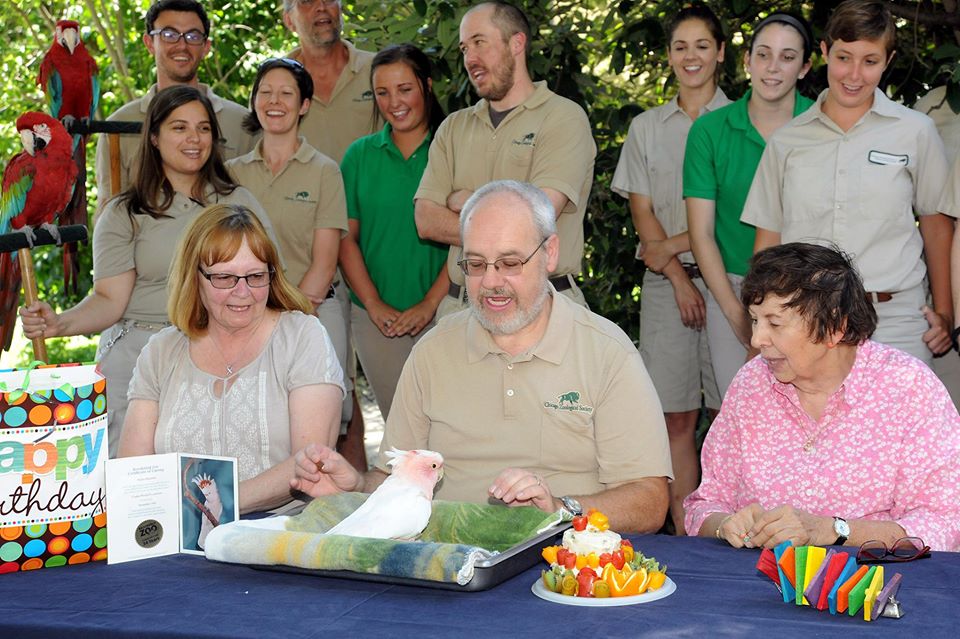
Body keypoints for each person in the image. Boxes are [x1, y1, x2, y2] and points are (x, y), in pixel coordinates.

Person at [291, 180, 673, 533]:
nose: (491, 282)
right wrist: (354, 487)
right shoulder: (433, 352)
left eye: (510, 263)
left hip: (561, 564)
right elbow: (395, 486)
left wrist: (560, 510)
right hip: (445, 563)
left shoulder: (607, 352)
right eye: (475, 265)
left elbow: (650, 501)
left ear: (550, 253)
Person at [20, 86, 273, 457]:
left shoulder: (239, 203)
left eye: (204, 128)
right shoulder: (125, 212)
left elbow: (266, 284)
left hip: (225, 351)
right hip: (139, 351)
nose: (194, 138)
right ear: (153, 137)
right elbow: (110, 299)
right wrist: (59, 324)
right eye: (179, 127)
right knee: (131, 481)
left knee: (212, 477)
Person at [684, 243, 960, 552]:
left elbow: (944, 524)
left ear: (834, 327)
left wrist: (835, 530)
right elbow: (704, 505)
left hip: (874, 585)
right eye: (755, 320)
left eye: (775, 323)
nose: (757, 339)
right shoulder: (751, 385)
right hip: (755, 582)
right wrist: (724, 524)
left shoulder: (908, 388)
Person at [742, 0, 953, 365]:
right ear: (824, 52)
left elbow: (936, 226)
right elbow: (769, 242)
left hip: (895, 320)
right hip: (803, 320)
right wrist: (762, 327)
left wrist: (947, 313)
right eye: (844, 57)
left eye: (870, 61)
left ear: (888, 61)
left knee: (895, 424)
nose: (854, 75)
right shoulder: (786, 141)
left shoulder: (916, 131)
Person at [119, 204, 344, 514]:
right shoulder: (161, 352)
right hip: (176, 535)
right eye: (224, 277)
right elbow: (134, 469)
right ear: (193, 277)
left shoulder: (302, 337)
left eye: (255, 276)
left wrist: (211, 507)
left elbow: (311, 460)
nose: (243, 292)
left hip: (280, 536)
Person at [610, 3, 728, 535]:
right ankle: (686, 538)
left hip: (733, 284)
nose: (691, 56)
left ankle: (733, 533)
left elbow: (739, 216)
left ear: (721, 53)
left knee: (733, 417)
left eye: (702, 45)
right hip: (666, 288)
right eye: (681, 46)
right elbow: (643, 213)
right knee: (675, 419)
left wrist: (682, 250)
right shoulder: (646, 127)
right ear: (669, 56)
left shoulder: (742, 124)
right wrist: (679, 276)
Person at [415, 1, 596, 318]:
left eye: (480, 42)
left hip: (543, 307)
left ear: (516, 43)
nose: (470, 58)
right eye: (465, 47)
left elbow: (536, 219)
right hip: (460, 311)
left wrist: (466, 200)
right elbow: (425, 221)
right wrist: (508, 221)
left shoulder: (563, 118)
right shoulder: (453, 128)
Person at [685, 12, 815, 396]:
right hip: (734, 289)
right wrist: (736, 313)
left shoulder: (822, 124)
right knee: (741, 415)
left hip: (811, 291)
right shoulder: (709, 130)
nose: (773, 68)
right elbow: (701, 233)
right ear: (747, 60)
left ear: (805, 66)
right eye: (763, 54)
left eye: (788, 57)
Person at [226, 57, 353, 443]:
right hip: (244, 313)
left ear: (304, 105)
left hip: (312, 310)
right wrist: (257, 318)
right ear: (253, 102)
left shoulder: (324, 171)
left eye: (286, 93)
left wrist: (283, 319)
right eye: (265, 92)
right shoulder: (232, 173)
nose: (274, 101)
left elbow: (325, 260)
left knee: (322, 424)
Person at [338, 44, 449, 420]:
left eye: (404, 89)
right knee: (403, 431)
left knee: (450, 427)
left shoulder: (452, 151)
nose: (393, 102)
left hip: (446, 312)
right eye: (382, 92)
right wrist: (373, 304)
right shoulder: (359, 156)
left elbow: (469, 238)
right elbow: (345, 239)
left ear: (427, 87)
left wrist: (430, 304)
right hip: (376, 321)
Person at [94, 0, 254, 203]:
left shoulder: (242, 123)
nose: (182, 45)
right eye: (169, 35)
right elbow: (109, 210)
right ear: (149, 43)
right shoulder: (117, 128)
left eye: (193, 36)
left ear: (206, 47)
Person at [282, 0, 376, 164]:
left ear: (340, 10)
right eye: (307, 2)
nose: (321, 7)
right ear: (289, 20)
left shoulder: (377, 70)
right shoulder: (272, 84)